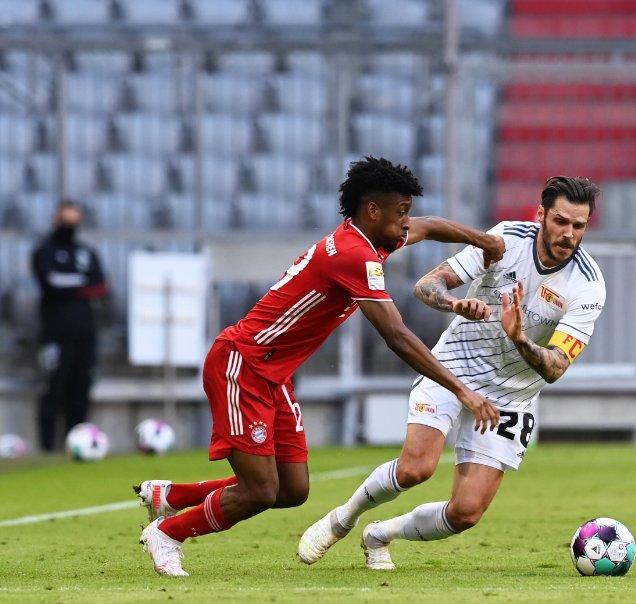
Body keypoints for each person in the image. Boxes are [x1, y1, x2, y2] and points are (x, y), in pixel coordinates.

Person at [135, 157, 504, 577]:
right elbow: (396, 335)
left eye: (406, 212)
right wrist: (462, 390)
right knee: (259, 491)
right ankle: (170, 533)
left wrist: (482, 240)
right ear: (372, 211)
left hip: (272, 375)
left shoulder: (372, 238)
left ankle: (172, 495)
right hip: (243, 365)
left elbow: (431, 224)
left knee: (292, 490)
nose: (407, 223)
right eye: (400, 212)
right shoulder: (353, 255)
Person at [298, 175, 605, 570]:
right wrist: (455, 305)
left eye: (578, 226)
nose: (568, 234)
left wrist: (520, 339)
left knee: (466, 513)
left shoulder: (588, 285)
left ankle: (380, 533)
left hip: (511, 395)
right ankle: (341, 519)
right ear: (541, 214)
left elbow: (556, 368)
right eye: (561, 221)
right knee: (415, 468)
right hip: (455, 364)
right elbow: (429, 285)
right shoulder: (505, 240)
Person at [31, 200, 108, 452]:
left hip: (85, 334)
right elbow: (50, 283)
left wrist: (72, 285)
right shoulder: (44, 251)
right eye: (66, 221)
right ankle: (47, 449)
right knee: (53, 390)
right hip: (55, 335)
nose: (70, 226)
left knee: (80, 392)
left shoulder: (86, 251)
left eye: (74, 221)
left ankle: (76, 447)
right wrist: (81, 284)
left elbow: (101, 286)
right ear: (56, 221)